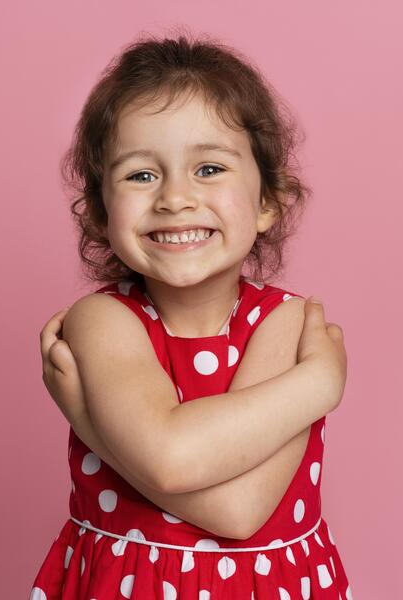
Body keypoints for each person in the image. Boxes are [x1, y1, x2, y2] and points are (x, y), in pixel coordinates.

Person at [31, 31, 353, 600]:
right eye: (140, 175)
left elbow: (242, 512)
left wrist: (91, 423)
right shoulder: (101, 322)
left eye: (208, 169)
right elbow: (172, 459)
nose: (175, 198)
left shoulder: (287, 322)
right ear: (102, 214)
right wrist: (320, 383)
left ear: (266, 203)